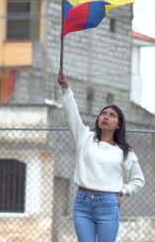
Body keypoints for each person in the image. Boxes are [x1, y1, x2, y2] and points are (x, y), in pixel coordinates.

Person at [57, 70, 145, 242]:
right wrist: (66, 89)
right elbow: (72, 115)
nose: (106, 117)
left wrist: (123, 191)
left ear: (118, 125)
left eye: (112, 116)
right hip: (82, 204)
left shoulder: (125, 153)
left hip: (108, 205)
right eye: (104, 113)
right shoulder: (85, 138)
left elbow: (138, 180)